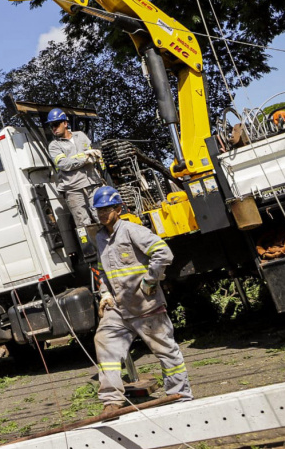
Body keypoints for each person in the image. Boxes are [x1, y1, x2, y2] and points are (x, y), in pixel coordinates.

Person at [91, 186, 193, 417]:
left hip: (145, 305)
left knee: (166, 351)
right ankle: (111, 400)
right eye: (98, 210)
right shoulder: (100, 237)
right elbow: (102, 270)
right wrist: (104, 293)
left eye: (107, 209)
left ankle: (181, 396)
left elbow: (163, 252)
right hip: (118, 307)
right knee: (104, 343)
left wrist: (150, 280)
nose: (102, 214)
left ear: (118, 208)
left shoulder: (131, 230)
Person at [45, 108, 104, 228]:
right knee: (83, 224)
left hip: (93, 184)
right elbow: (64, 164)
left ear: (65, 123)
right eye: (51, 126)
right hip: (73, 189)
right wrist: (85, 158)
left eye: (56, 125)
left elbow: (91, 152)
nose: (54, 129)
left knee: (102, 216)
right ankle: (90, 246)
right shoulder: (54, 146)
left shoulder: (81, 136)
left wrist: (93, 156)